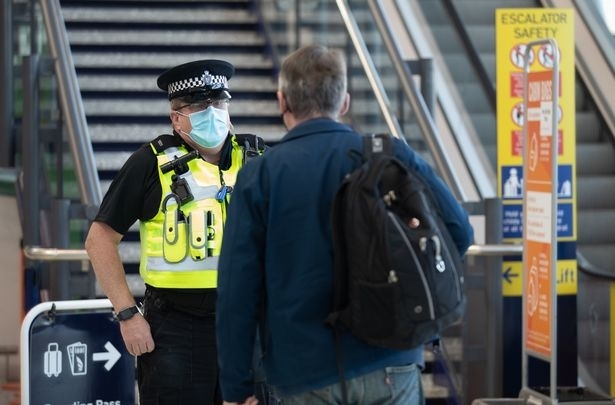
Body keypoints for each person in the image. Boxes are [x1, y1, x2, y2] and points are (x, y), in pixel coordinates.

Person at [215, 44, 474, 405]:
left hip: (303, 370)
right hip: (390, 358)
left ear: (282, 102)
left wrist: (236, 387)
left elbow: (236, 291)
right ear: (345, 102)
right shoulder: (388, 155)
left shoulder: (260, 175)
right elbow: (459, 231)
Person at [85, 59, 266, 405]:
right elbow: (99, 239)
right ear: (176, 118)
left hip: (249, 325)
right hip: (176, 330)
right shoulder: (151, 163)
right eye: (198, 106)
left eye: (218, 103)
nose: (211, 113)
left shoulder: (258, 159)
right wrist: (126, 315)